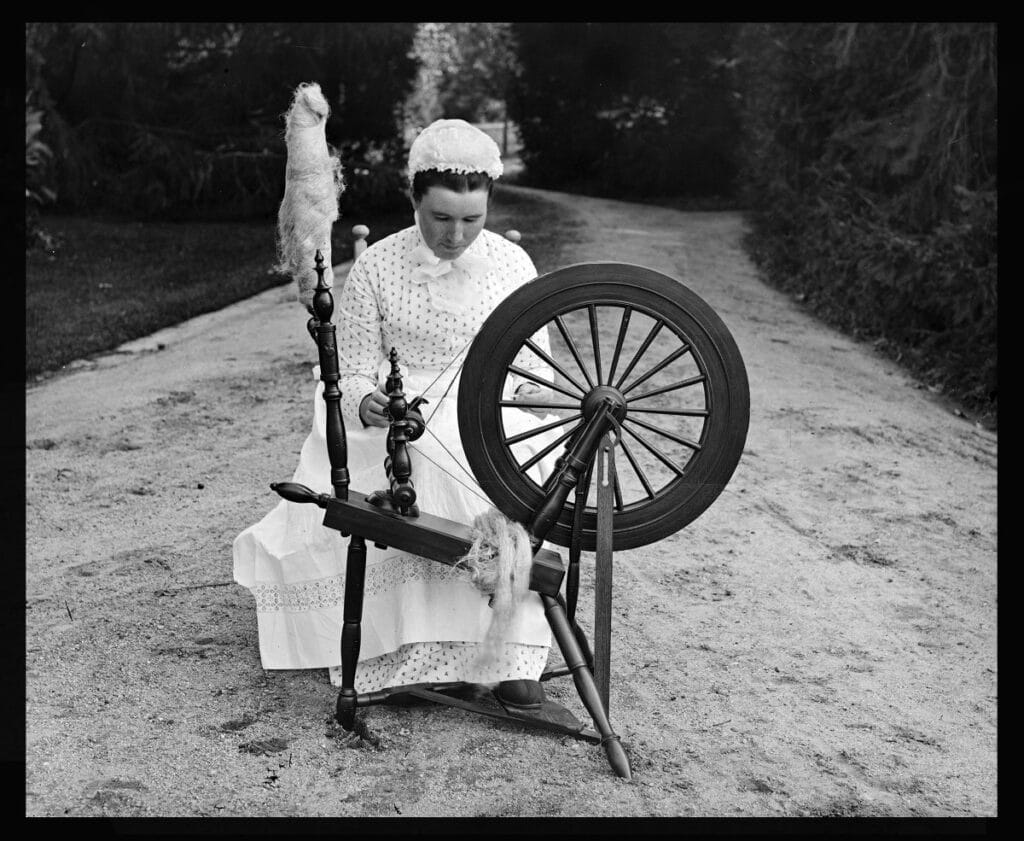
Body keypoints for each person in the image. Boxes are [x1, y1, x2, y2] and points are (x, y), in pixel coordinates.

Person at [233, 119, 566, 715]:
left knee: (509, 469)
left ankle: (511, 654)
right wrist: (369, 404)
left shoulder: (515, 265)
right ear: (413, 199)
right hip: (401, 415)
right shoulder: (378, 268)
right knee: (428, 458)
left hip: (491, 406)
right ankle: (412, 651)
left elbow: (536, 366)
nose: (456, 234)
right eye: (441, 218)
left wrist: (523, 407)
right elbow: (354, 371)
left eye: (472, 219)